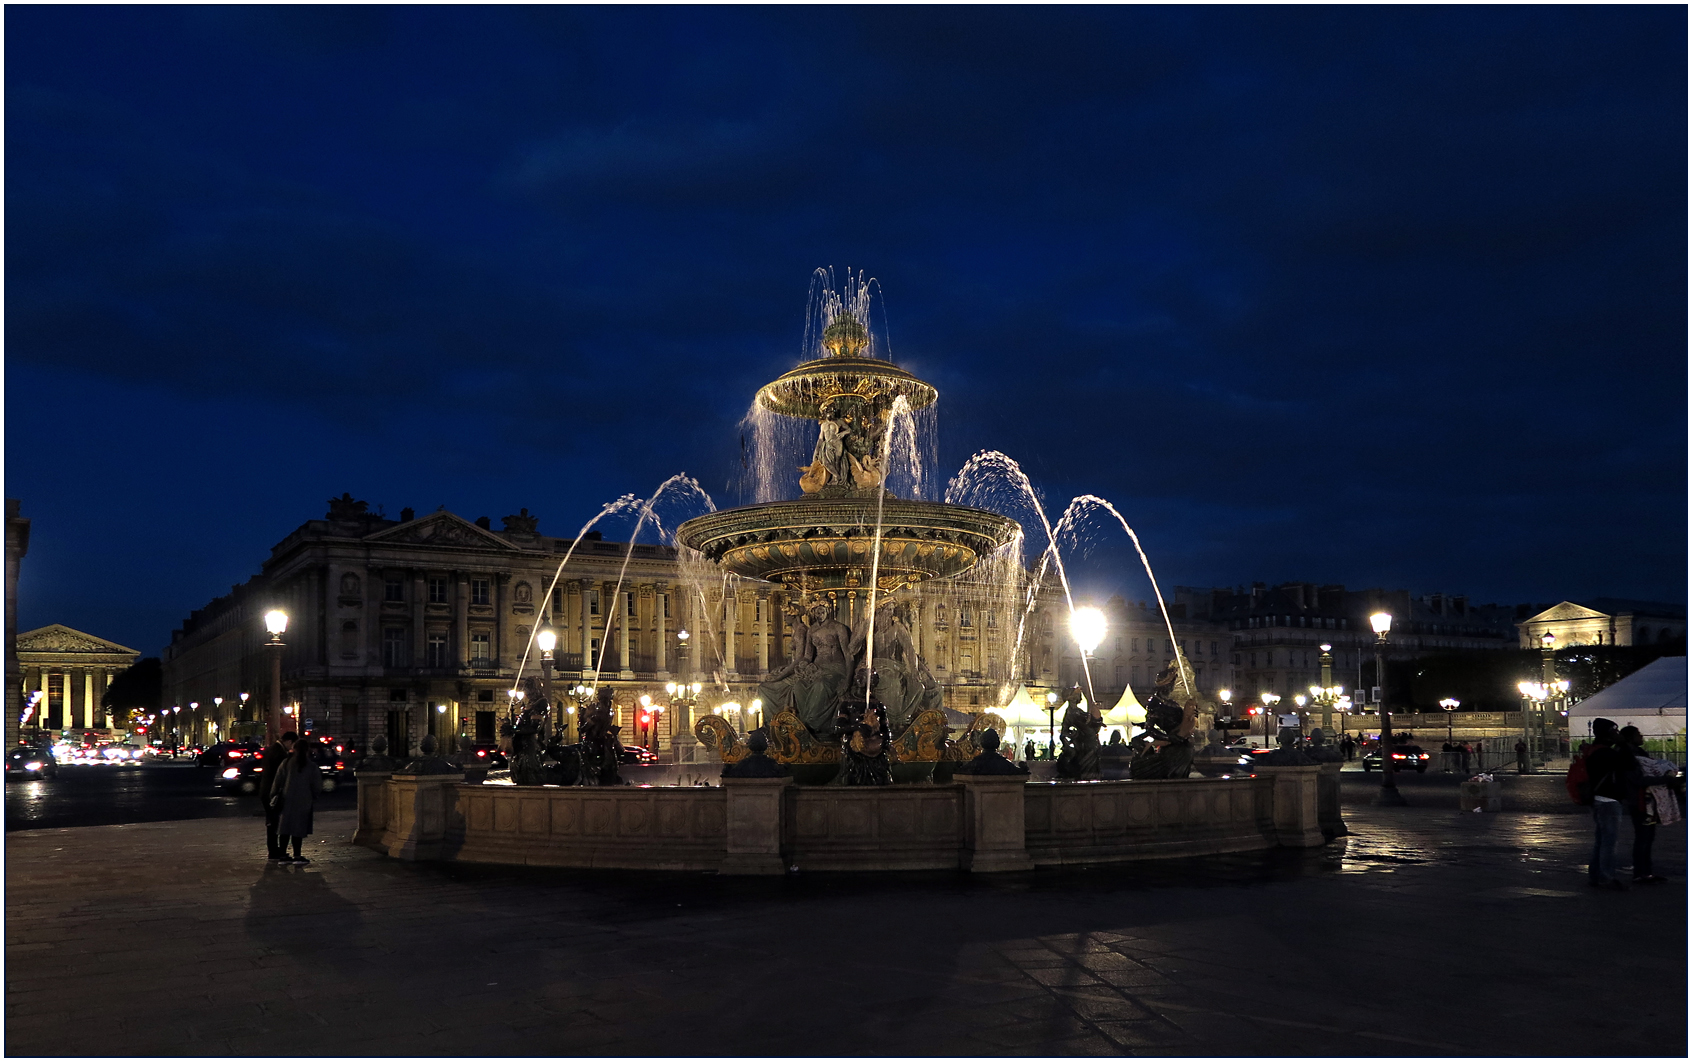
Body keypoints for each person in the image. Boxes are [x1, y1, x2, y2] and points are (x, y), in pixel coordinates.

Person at [1584, 718, 1641, 889]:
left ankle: (1595, 875)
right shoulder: (1606, 753)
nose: (1617, 734)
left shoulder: (1594, 751)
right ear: (1608, 733)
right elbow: (1630, 764)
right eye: (1614, 732)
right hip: (1609, 800)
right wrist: (1623, 745)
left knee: (1601, 841)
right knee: (1609, 842)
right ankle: (1606, 877)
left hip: (1598, 799)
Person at [1618, 725, 1670, 884]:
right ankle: (1641, 872)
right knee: (1644, 836)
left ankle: (1645, 871)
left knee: (1647, 836)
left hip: (1646, 799)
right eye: (1638, 734)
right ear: (1630, 738)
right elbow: (1638, 779)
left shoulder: (1635, 754)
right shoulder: (1628, 756)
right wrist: (1664, 779)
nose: (1641, 737)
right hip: (1640, 800)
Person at [271, 737, 323, 866]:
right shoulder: (311, 766)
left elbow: (277, 781)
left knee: (284, 827)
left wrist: (274, 795)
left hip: (286, 799)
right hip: (304, 801)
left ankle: (283, 854)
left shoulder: (286, 763)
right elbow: (317, 785)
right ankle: (297, 855)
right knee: (298, 829)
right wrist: (314, 796)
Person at [258, 731, 297, 862]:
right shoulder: (280, 754)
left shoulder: (271, 750)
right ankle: (275, 852)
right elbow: (281, 775)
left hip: (266, 791)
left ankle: (273, 851)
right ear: (289, 741)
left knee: (271, 822)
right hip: (273, 793)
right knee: (275, 823)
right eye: (293, 745)